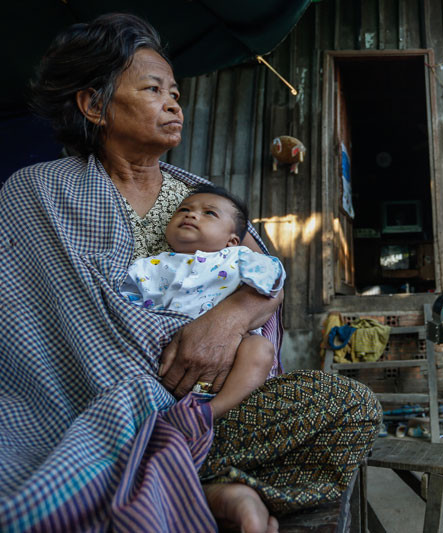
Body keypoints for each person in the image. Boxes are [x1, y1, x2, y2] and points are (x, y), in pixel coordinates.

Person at [0, 13, 380, 533]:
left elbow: (266, 279)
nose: (175, 102)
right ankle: (204, 485)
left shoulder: (202, 198)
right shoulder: (35, 192)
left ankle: (193, 478)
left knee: (348, 405)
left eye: (175, 90)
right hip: (81, 407)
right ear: (94, 105)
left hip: (208, 407)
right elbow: (28, 321)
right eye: (154, 88)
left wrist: (228, 320)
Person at [122, 184, 286, 420]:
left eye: (209, 213)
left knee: (259, 349)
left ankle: (213, 412)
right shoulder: (151, 266)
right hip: (168, 353)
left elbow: (272, 277)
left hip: (232, 355)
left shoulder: (237, 257)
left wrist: (260, 274)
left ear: (231, 241)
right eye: (184, 210)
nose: (191, 214)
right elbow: (128, 302)